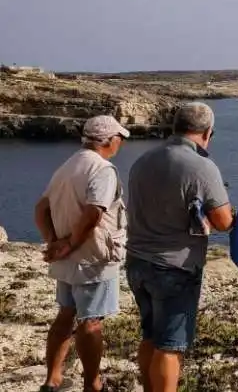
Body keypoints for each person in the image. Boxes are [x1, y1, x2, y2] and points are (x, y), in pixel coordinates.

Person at [125, 102, 234, 392]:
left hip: (137, 261)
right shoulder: (201, 166)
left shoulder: (143, 160)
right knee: (170, 346)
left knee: (149, 335)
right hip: (174, 266)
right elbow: (223, 221)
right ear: (208, 133)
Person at [34, 115, 131, 392]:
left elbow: (40, 209)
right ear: (109, 141)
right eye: (119, 138)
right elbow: (93, 214)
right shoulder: (103, 170)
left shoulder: (68, 165)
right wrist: (69, 245)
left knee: (65, 314)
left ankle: (52, 379)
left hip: (67, 261)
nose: (121, 143)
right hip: (93, 258)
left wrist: (53, 242)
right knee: (91, 323)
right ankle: (92, 384)